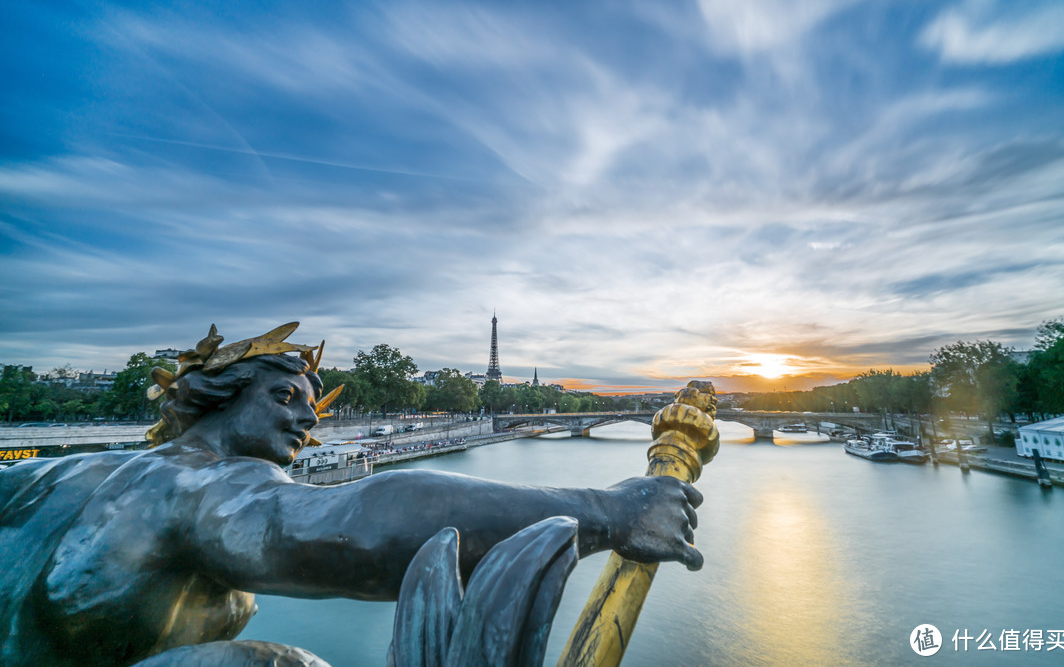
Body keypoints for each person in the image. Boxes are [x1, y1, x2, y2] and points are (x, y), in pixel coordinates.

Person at [0, 324, 703, 667]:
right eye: (285, 395)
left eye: (313, 404)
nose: (308, 418)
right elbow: (360, 521)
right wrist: (613, 511)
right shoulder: (197, 481)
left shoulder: (55, 474)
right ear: (216, 397)